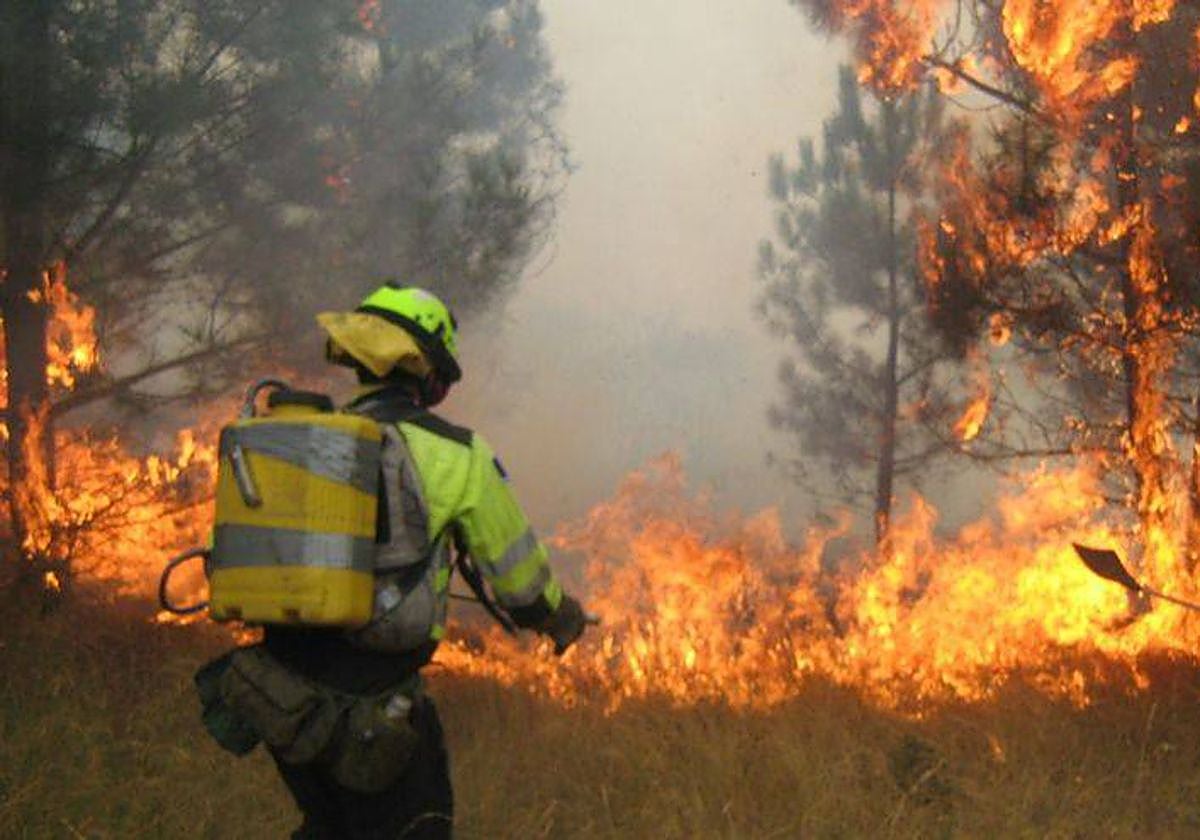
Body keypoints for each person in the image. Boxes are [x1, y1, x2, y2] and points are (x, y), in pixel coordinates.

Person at [201, 282, 589, 839]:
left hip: (280, 691)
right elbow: (521, 581)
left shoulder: (308, 442)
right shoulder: (456, 455)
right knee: (416, 827)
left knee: (329, 826)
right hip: (373, 701)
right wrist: (558, 616)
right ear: (429, 374)